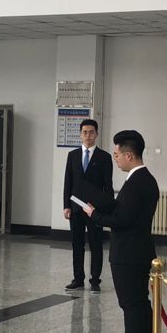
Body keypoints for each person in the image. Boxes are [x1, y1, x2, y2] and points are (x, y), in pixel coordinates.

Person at [82, 130, 159, 333]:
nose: (115, 159)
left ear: (128, 155)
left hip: (128, 253)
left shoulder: (136, 183)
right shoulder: (147, 179)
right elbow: (127, 212)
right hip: (140, 250)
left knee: (131, 304)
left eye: (116, 155)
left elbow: (122, 220)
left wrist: (94, 215)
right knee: (140, 303)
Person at [63, 119, 113, 292]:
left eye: (91, 132)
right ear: (80, 134)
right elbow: (68, 182)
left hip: (95, 209)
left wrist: (107, 209)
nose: (88, 135)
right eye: (84, 132)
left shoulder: (104, 157)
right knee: (77, 244)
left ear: (96, 134)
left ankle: (95, 280)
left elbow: (108, 186)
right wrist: (66, 205)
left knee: (96, 244)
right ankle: (78, 279)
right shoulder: (73, 155)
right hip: (76, 208)